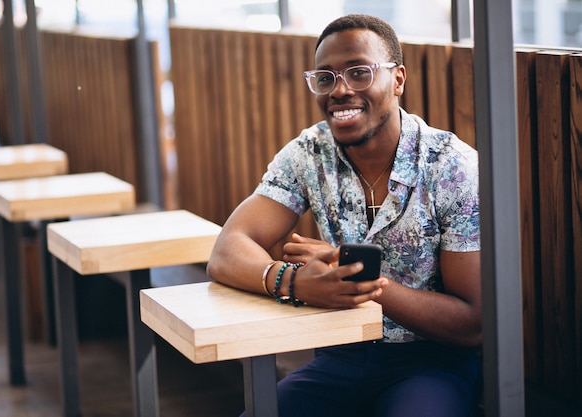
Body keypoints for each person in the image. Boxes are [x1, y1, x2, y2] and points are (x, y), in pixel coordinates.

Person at [206, 13, 482, 417]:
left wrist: (359, 282)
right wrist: (296, 281)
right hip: (341, 354)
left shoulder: (452, 167)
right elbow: (227, 251)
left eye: (358, 73)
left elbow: (472, 322)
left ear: (398, 80)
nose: (340, 90)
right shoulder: (310, 153)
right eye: (326, 77)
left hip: (433, 363)